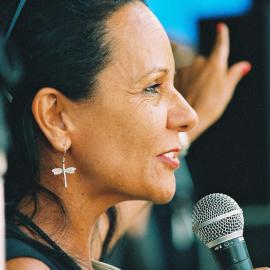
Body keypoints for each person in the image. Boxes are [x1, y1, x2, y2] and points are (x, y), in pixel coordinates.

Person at [1, 1, 268, 270]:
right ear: (56, 117)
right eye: (153, 87)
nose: (189, 115)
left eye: (174, 84)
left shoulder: (63, 242)